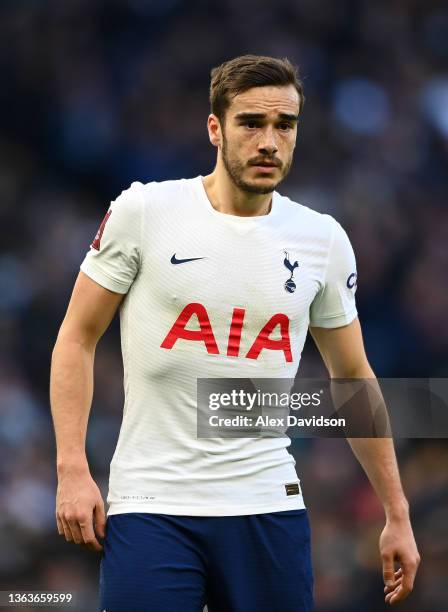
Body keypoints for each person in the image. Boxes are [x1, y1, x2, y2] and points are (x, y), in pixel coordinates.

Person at [50, 55, 420, 611]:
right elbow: (76, 337)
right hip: (153, 503)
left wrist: (398, 513)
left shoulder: (321, 239)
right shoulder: (146, 210)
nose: (269, 140)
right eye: (251, 123)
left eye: (285, 126)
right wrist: (72, 469)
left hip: (267, 505)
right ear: (215, 129)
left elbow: (351, 379)